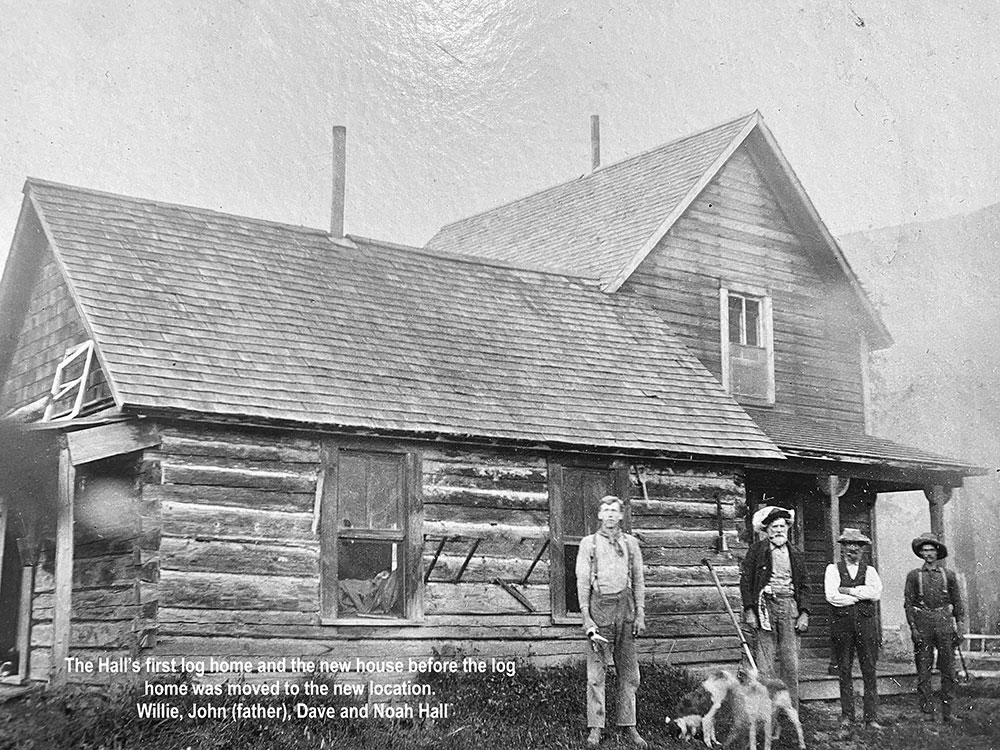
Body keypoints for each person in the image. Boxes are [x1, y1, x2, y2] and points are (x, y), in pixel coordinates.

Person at [576, 495, 647, 748]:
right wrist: (586, 618)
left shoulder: (630, 544)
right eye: (604, 510)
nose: (609, 515)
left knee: (629, 673)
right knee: (596, 673)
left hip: (625, 612)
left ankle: (629, 725)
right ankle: (595, 727)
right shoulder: (589, 544)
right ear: (599, 515)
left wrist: (640, 613)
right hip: (600, 610)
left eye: (613, 511)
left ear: (620, 516)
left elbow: (638, 580)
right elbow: (582, 582)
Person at [739, 505, 810, 707]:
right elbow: (745, 582)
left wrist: (804, 613)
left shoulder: (795, 553)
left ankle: (790, 712)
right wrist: (750, 610)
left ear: (788, 528)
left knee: (791, 664)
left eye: (782, 526)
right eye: (774, 527)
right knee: (764, 663)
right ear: (767, 530)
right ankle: (767, 714)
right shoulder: (757, 551)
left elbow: (805, 585)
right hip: (765, 609)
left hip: (790, 608)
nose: (779, 531)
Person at [903, 532, 967, 722]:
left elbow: (958, 602)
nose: (928, 554)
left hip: (945, 623)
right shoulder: (914, 576)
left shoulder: (948, 575)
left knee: (948, 669)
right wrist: (913, 627)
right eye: (925, 550)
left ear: (937, 553)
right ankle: (927, 712)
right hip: (923, 623)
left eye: (932, 550)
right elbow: (908, 603)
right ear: (921, 553)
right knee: (923, 669)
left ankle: (949, 713)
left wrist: (960, 626)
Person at [824, 528, 883, 728]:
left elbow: (875, 594)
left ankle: (871, 717)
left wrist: (848, 590)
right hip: (842, 625)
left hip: (866, 626)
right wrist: (861, 594)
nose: (852, 551)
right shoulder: (832, 569)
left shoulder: (871, 571)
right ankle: (847, 715)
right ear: (842, 548)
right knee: (844, 669)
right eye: (848, 547)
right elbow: (832, 596)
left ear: (862, 550)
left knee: (869, 669)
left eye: (856, 547)